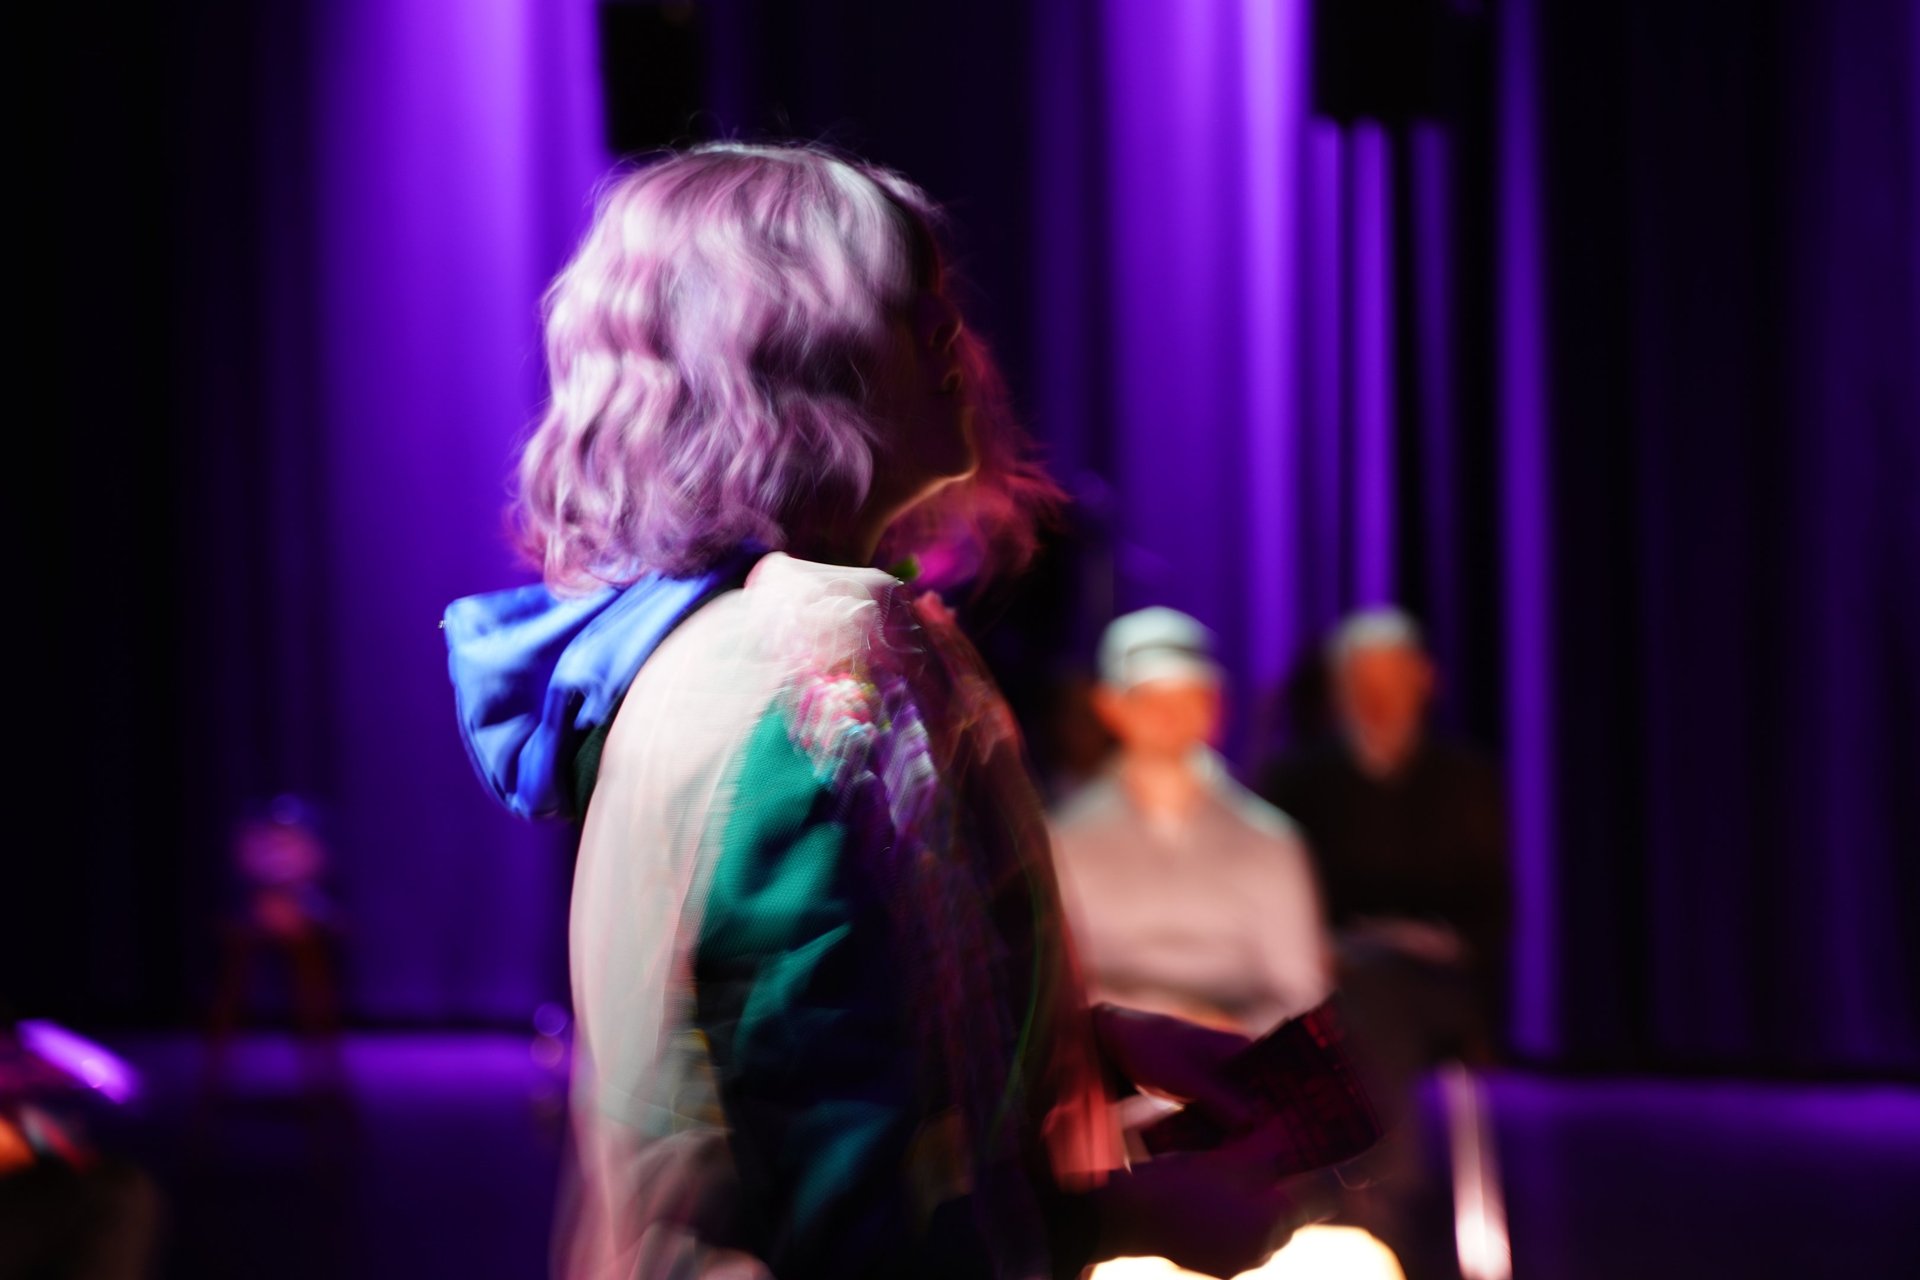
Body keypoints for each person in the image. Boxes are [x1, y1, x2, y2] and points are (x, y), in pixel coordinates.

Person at [443, 141, 1313, 1280]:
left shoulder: (727, 647)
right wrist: (1140, 1219)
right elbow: (847, 1218)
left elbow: (840, 1035)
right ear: (797, 355)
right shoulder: (817, 678)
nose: (960, 345)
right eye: (914, 306)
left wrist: (1080, 1047)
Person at [1255, 606, 1512, 1280]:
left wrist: (1443, 947)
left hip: (1438, 984)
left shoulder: (1466, 781)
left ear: (1425, 682)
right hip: (1333, 975)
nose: (1375, 700)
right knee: (1345, 999)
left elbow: (1493, 910)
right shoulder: (1299, 782)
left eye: (1389, 681)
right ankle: (1361, 1200)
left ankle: (1371, 1201)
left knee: (1377, 1000)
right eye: (1359, 683)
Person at [1049, 607, 1335, 1043]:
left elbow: (1301, 995)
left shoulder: (1271, 842)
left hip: (1234, 1071)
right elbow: (1053, 988)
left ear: (1216, 706)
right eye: (1149, 698)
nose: (1169, 716)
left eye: (1187, 696)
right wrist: (1152, 1024)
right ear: (1109, 706)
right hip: (1109, 1069)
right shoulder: (1065, 839)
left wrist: (1222, 1034)